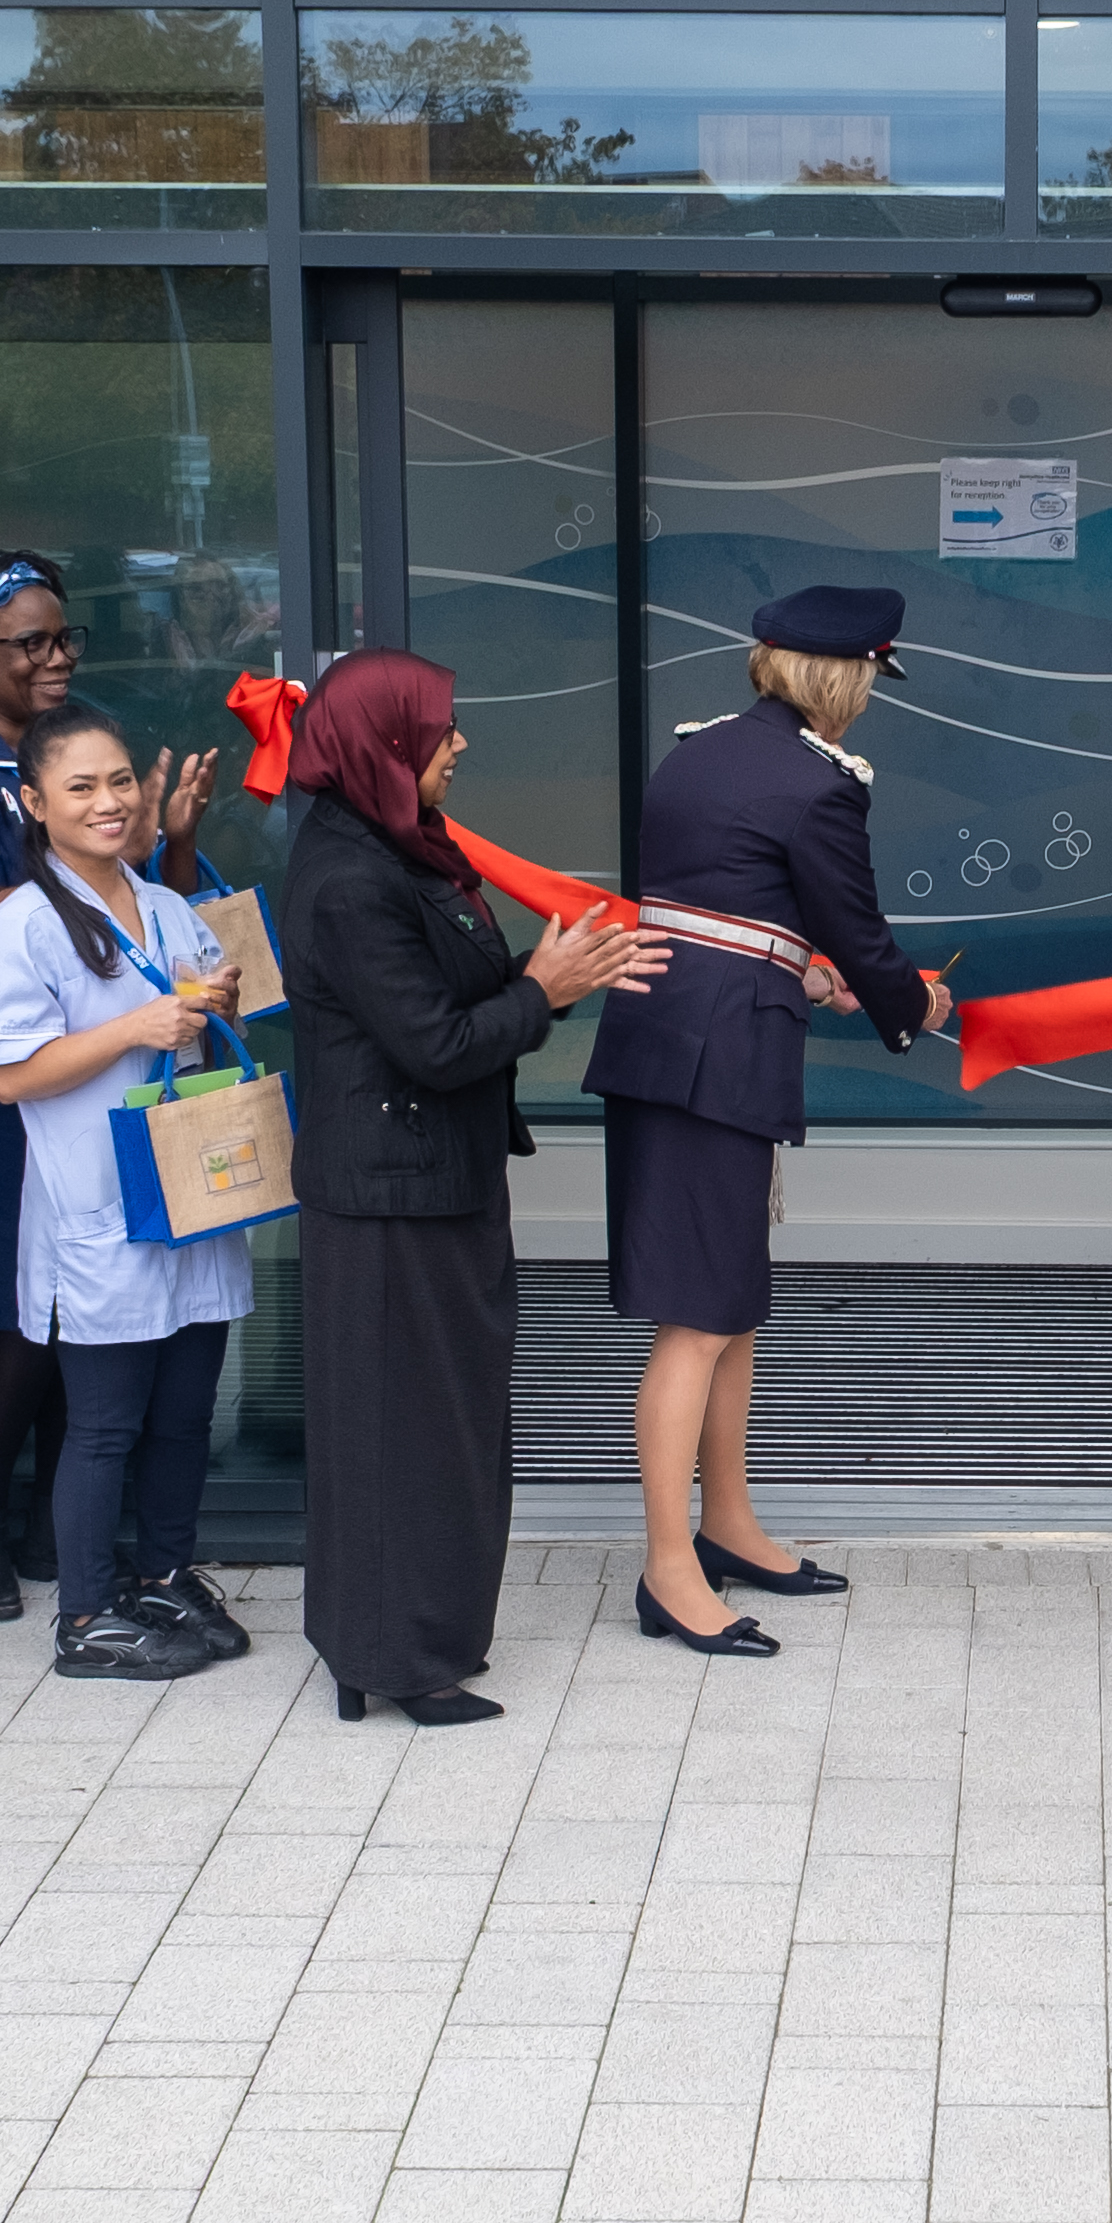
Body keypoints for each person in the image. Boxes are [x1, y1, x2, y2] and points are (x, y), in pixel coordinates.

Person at [285, 653, 659, 1724]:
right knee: (404, 1434)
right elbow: (434, 1046)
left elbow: (449, 1000)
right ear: (386, 746)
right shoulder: (354, 877)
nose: (458, 744)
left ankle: (409, 1642)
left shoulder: (397, 847)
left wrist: (546, 976)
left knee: (441, 1428)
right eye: (440, 729)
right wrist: (545, 990)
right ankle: (398, 1662)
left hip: (431, 1180)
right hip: (390, 1195)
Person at [587, 587, 939, 1654]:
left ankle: (728, 1521)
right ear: (847, 676)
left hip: (667, 1037)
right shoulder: (815, 786)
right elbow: (856, 926)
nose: (872, 696)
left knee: (727, 1303)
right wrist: (906, 1004)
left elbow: (719, 903)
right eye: (873, 677)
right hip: (717, 1062)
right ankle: (669, 1570)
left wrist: (807, 969)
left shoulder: (703, 752)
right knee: (696, 1319)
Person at [0, 555, 220, 1618]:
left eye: (64, 637)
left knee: (107, 1334)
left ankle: (56, 1528)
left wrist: (160, 851)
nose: (55, 657)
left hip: (115, 1072)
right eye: (28, 642)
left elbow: (147, 922)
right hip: (4, 1078)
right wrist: (99, 916)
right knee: (23, 1314)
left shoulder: (93, 754)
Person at [0, 706, 262, 1679]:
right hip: (97, 1202)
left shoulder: (166, 904)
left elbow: (185, 1009)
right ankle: (87, 1615)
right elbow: (10, 1075)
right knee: (104, 1426)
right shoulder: (20, 925)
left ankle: (164, 1573)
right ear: (34, 803)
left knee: (185, 1412)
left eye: (119, 782)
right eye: (81, 788)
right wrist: (137, 1027)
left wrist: (209, 999)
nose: (109, 803)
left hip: (189, 1187)